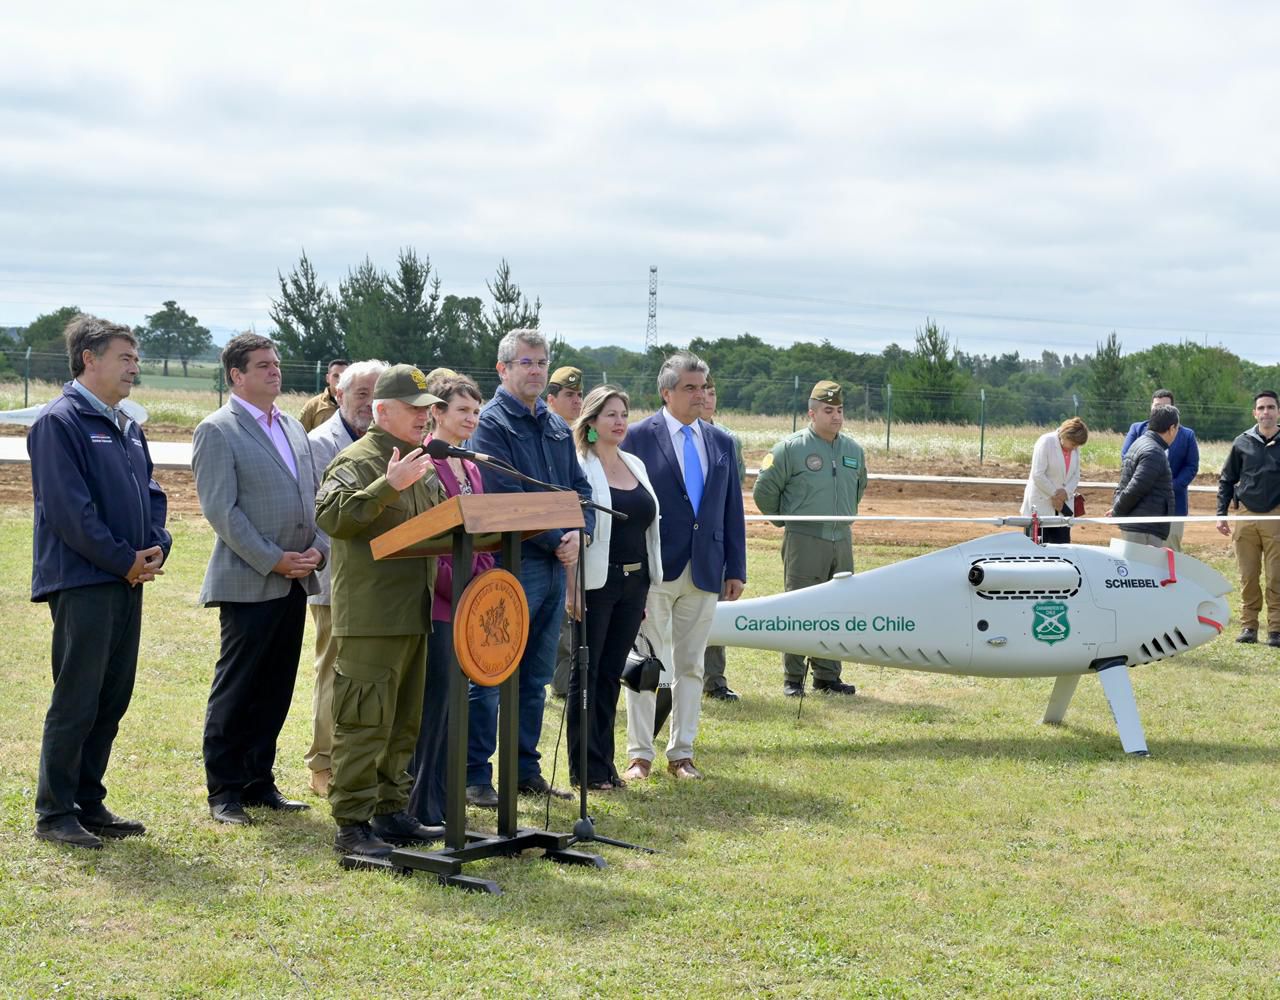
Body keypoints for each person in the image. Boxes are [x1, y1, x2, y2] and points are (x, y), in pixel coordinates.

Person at [28, 315, 172, 849]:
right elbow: (70, 512)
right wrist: (123, 560)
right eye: (125, 358)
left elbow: (152, 494)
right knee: (77, 696)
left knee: (112, 696)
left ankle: (89, 800)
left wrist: (157, 547)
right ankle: (55, 811)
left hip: (127, 578)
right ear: (89, 358)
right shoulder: (59, 422)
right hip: (85, 580)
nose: (134, 368)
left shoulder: (127, 424)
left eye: (136, 359)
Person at [193, 333, 326, 826]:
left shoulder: (292, 426)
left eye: (276, 363)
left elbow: (315, 497)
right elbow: (221, 511)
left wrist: (318, 550)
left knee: (275, 686)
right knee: (239, 686)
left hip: (296, 578)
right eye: (263, 365)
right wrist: (273, 559)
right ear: (236, 375)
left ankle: (258, 781)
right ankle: (224, 790)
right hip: (251, 581)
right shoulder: (217, 429)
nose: (275, 371)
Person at [316, 364, 447, 857]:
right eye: (415, 409)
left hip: (414, 613)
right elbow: (332, 516)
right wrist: (388, 485)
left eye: (428, 409)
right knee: (363, 721)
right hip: (371, 616)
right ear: (382, 411)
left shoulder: (420, 460)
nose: (425, 417)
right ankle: (351, 823)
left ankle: (392, 811)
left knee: (402, 722)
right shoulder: (358, 460)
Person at [465, 330, 594, 806]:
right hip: (512, 562)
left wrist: (578, 536)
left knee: (536, 675)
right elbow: (502, 494)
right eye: (526, 363)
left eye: (541, 362)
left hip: (555, 564)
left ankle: (523, 770)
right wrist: (556, 537)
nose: (536, 370)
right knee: (492, 671)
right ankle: (476, 775)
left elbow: (579, 491)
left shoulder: (558, 427)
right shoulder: (492, 424)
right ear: (502, 370)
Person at [621, 351, 746, 781]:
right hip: (654, 568)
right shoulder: (636, 437)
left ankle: (682, 753)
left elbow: (732, 511)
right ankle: (639, 754)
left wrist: (736, 567)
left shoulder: (722, 442)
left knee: (691, 664)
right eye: (690, 387)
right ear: (666, 392)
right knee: (646, 662)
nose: (700, 394)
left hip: (706, 568)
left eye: (704, 386)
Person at [407, 374, 494, 829]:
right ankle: (421, 803)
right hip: (439, 600)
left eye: (476, 411)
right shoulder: (423, 462)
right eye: (462, 410)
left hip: (472, 598)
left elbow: (482, 536)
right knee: (433, 704)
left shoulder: (471, 465)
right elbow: (428, 539)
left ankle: (445, 799)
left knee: (456, 704)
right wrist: (457, 583)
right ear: (436, 412)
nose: (471, 419)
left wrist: (482, 583)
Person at [565, 386, 662, 789]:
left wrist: (643, 589)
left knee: (609, 675)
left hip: (634, 584)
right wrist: (572, 588)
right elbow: (572, 529)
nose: (620, 421)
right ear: (590, 422)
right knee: (585, 674)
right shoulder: (579, 465)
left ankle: (604, 762)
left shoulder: (635, 463)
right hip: (595, 583)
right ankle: (583, 768)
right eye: (610, 415)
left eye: (624, 413)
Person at [303, 359, 387, 797]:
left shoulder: (392, 444)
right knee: (333, 671)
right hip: (337, 576)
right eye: (361, 394)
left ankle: (364, 760)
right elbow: (317, 514)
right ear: (339, 395)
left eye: (377, 395)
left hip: (385, 579)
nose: (369, 403)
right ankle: (323, 763)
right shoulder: (320, 443)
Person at [753, 380, 867, 697]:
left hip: (840, 539)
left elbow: (859, 487)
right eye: (828, 410)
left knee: (837, 608)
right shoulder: (790, 449)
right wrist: (785, 520)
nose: (836, 417)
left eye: (840, 410)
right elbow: (764, 491)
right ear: (811, 413)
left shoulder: (853, 450)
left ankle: (827, 676)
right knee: (799, 608)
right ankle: (793, 678)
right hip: (804, 540)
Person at [1217, 390, 1280, 646]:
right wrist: (1220, 514)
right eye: (1261, 408)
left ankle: (1275, 630)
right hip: (1246, 515)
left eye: (1271, 407)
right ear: (1255, 412)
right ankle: (1248, 626)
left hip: (1277, 517)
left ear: (1278, 411)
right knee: (1248, 575)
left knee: (1277, 575)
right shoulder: (1241, 442)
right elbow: (1227, 478)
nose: (1266, 412)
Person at [701, 374, 747, 702]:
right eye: (699, 390)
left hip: (712, 546)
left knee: (713, 615)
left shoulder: (727, 441)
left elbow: (734, 497)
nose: (706, 398)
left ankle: (714, 680)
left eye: (712, 392)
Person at [548, 365, 587, 699]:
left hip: (580, 537)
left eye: (579, 395)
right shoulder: (552, 436)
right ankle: (562, 681)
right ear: (551, 399)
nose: (577, 401)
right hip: (557, 541)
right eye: (569, 395)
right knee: (563, 620)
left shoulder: (580, 435)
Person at [1122, 389, 1199, 551]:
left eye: (1165, 406)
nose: (1160, 410)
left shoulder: (1186, 435)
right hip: (1139, 506)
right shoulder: (1137, 430)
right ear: (1151, 407)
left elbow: (1191, 466)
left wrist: (1169, 487)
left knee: (1169, 555)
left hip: (1173, 506)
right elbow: (1127, 458)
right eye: (1157, 406)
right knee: (1137, 555)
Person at [1107, 404, 1177, 546]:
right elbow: (1136, 487)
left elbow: (1126, 484)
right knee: (1144, 568)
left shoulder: (1139, 444)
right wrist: (1117, 512)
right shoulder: (1154, 452)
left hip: (1139, 524)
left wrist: (1117, 508)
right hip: (1144, 529)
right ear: (1171, 428)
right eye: (1177, 429)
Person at [1020, 417, 1089, 544]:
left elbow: (1076, 475)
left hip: (1063, 509)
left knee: (1062, 550)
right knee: (1038, 551)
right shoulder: (1046, 442)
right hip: (1041, 505)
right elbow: (1038, 474)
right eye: (1073, 444)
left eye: (1077, 446)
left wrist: (1066, 493)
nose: (1074, 448)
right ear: (1065, 435)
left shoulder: (1075, 449)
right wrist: (1055, 494)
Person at [299, 358, 349, 432]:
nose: (340, 379)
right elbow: (299, 433)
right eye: (335, 375)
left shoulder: (357, 404)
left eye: (344, 376)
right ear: (328, 378)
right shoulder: (314, 406)